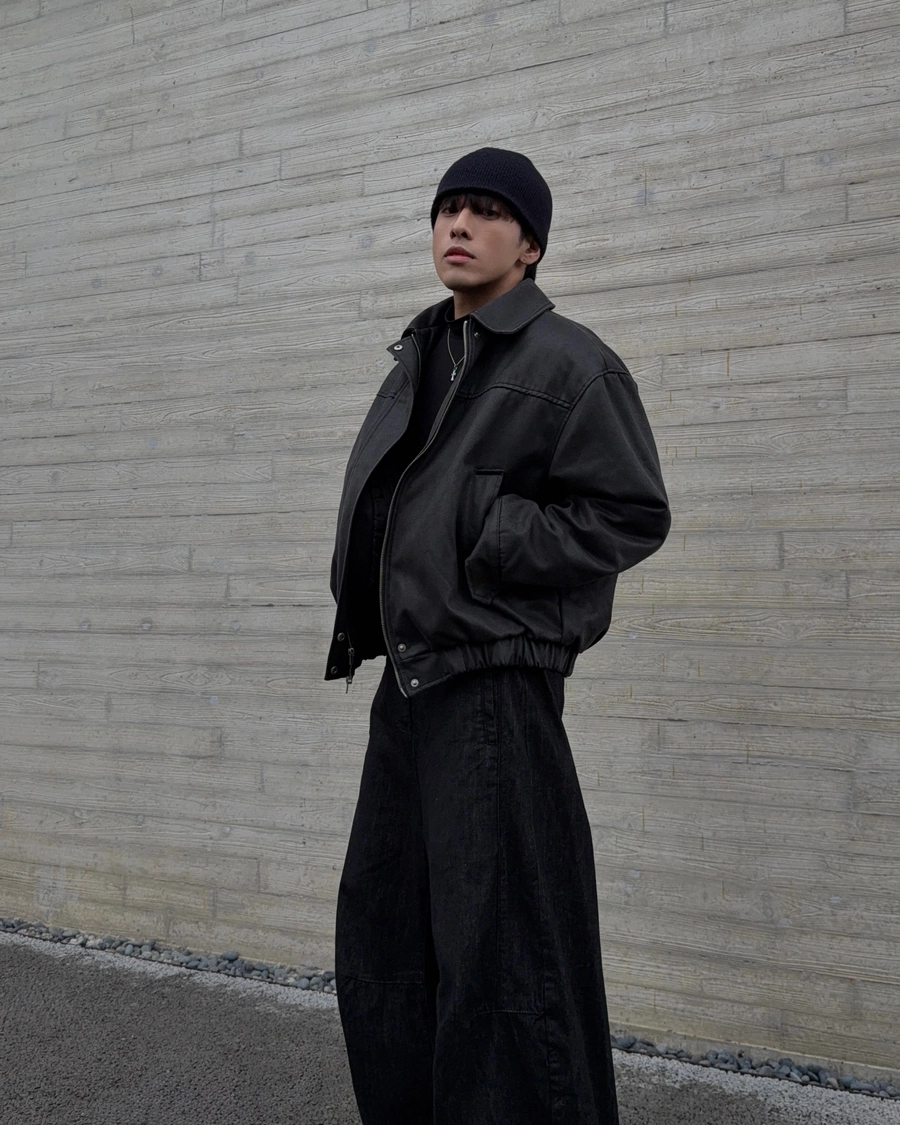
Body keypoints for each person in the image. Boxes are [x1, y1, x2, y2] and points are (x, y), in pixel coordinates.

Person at [325, 147, 670, 1125]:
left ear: (530, 246)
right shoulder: (422, 355)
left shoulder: (570, 362)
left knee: (509, 960)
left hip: (494, 688)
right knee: (385, 944)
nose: (459, 226)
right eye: (447, 209)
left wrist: (494, 530)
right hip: (412, 682)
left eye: (485, 211)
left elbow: (630, 512)